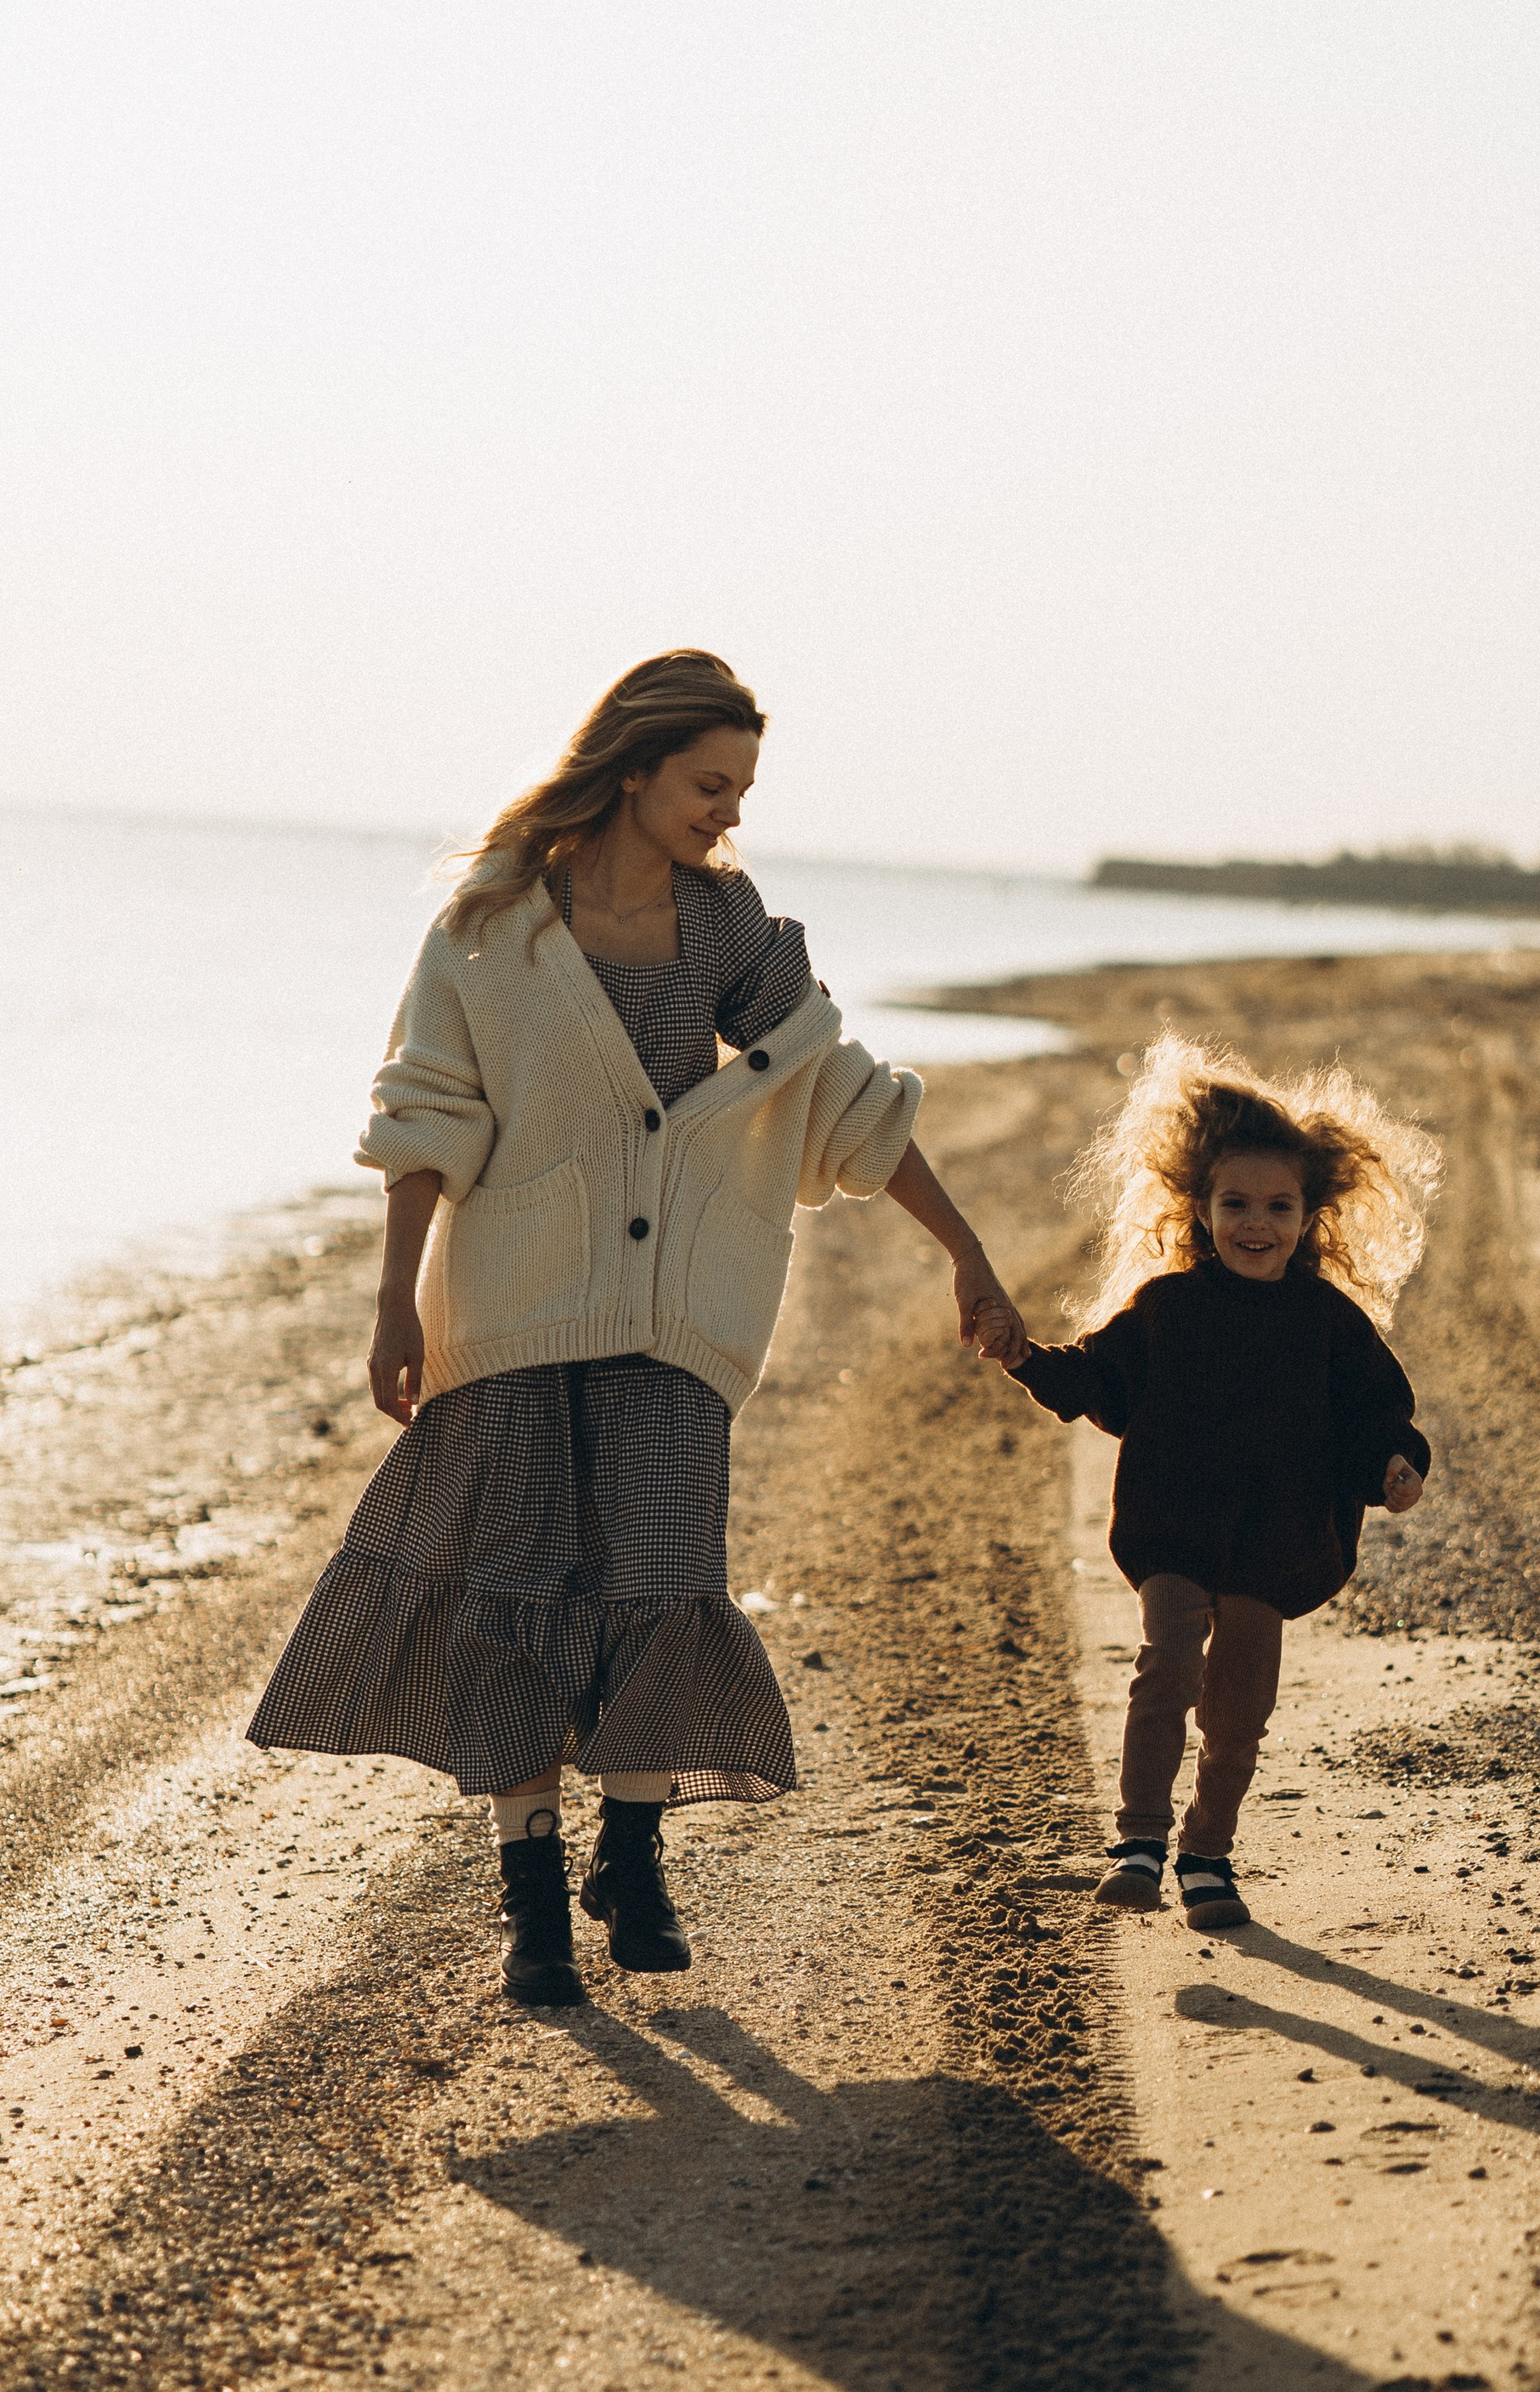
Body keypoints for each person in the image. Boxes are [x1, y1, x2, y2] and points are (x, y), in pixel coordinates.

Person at [247, 651, 1020, 2007]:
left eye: (742, 790)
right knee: (516, 1593)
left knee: (662, 1577)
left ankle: (637, 1857)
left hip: (674, 1324)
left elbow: (835, 1092)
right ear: (636, 766)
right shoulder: (492, 925)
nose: (729, 814)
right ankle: (534, 1899)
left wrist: (964, 1252)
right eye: (710, 786)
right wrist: (392, 1308)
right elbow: (426, 1116)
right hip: (511, 1312)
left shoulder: (723, 927)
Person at [985, 1034, 1438, 1930]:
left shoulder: (1328, 1323)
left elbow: (1374, 1415)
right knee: (1164, 1663)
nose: (1255, 1224)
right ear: (1200, 1209)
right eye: (1235, 1204)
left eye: (1278, 1206)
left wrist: (1395, 1466)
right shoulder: (1167, 1309)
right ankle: (1139, 1842)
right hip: (1172, 1526)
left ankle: (1207, 1856)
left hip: (1276, 1543)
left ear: (1310, 1217)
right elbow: (1098, 1378)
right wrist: (1023, 1356)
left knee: (1238, 1714)